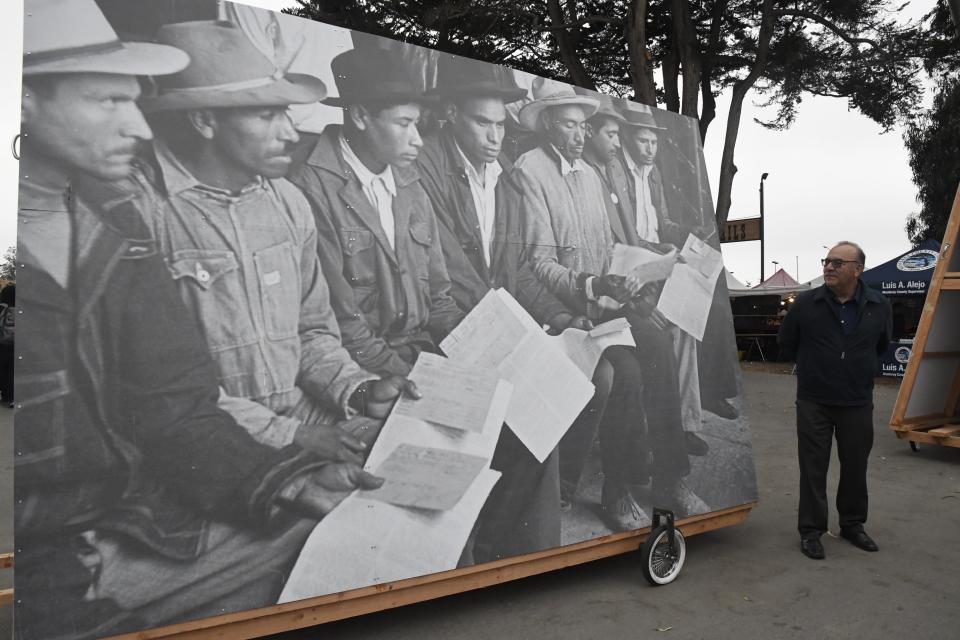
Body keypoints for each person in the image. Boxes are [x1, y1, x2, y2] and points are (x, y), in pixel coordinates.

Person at [15, 2, 380, 637]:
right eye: (107, 101)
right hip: (89, 531)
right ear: (20, 100)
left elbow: (177, 399)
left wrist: (323, 432)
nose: (136, 125)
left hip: (146, 499)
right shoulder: (139, 214)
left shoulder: (112, 226)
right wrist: (289, 457)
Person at [134, 21, 417, 462]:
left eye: (286, 113)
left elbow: (313, 332)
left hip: (304, 413)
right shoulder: (145, 214)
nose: (289, 133)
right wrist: (293, 436)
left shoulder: (288, 202)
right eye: (268, 115)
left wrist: (358, 388)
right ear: (204, 120)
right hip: (212, 440)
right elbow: (166, 390)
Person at [416, 54, 597, 555]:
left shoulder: (503, 182)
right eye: (482, 122)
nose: (495, 137)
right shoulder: (429, 169)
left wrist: (559, 317)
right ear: (451, 114)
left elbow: (514, 275)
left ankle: (521, 553)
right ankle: (512, 552)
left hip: (489, 327)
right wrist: (508, 337)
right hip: (448, 329)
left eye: (500, 124)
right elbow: (447, 277)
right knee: (528, 417)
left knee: (554, 405)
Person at [514, 78, 705, 522]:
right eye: (568, 127)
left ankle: (670, 479)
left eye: (583, 127)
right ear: (546, 126)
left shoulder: (589, 175)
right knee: (629, 372)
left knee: (659, 348)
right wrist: (591, 285)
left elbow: (603, 249)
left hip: (603, 303)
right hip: (562, 311)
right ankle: (617, 490)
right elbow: (538, 262)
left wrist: (626, 280)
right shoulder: (530, 171)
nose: (580, 137)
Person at [289, 47, 464, 377]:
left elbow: (439, 295)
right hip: (362, 370)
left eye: (417, 124)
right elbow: (342, 324)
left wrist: (475, 348)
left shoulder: (409, 181)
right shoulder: (311, 188)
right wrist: (406, 377)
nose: (418, 140)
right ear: (359, 116)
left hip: (421, 353)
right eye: (403, 124)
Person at [778, 241, 892, 560]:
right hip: (814, 399)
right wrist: (816, 366)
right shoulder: (806, 304)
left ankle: (853, 525)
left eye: (838, 263)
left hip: (857, 400)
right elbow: (787, 342)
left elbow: (881, 344)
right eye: (827, 261)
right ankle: (811, 531)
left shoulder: (878, 305)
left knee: (855, 466)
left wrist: (855, 366)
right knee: (813, 467)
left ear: (858, 270)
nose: (829, 267)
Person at [0, 284, 14, 407]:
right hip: (16, 345)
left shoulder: (1, 308)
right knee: (12, 370)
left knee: (2, 369)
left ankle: (4, 394)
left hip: (2, 344)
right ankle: (11, 395)